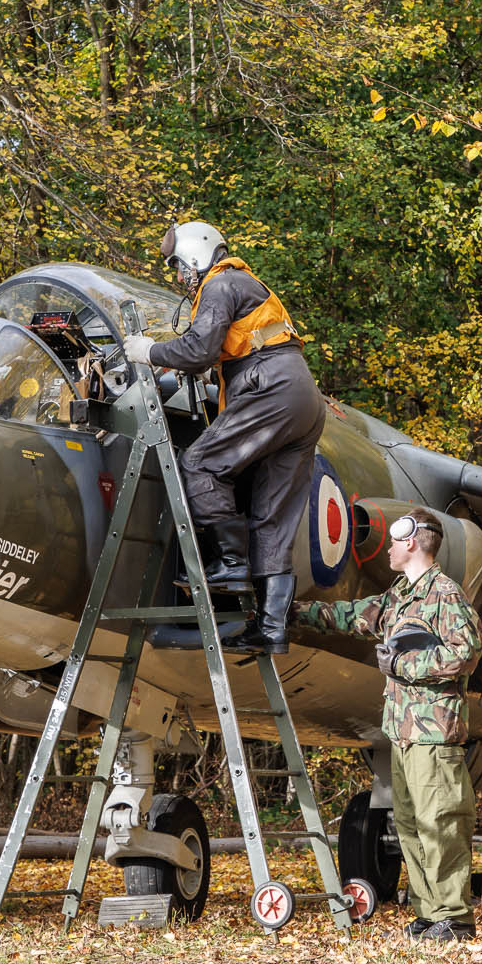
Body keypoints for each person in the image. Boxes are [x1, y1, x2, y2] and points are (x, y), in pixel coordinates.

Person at [121, 221, 325, 655]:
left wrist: (147, 351)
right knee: (271, 517)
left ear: (196, 253)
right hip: (300, 394)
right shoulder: (245, 283)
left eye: (178, 266)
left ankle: (230, 565)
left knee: (200, 464)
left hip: (270, 386)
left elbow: (198, 351)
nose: (178, 277)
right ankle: (270, 631)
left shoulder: (220, 282)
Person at [294, 509, 482, 942]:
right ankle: (428, 912)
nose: (389, 550)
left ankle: (454, 917)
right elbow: (353, 616)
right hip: (402, 731)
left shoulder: (444, 595)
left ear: (414, 543)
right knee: (410, 824)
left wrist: (404, 663)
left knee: (441, 821)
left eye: (396, 543)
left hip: (434, 732)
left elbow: (467, 651)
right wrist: (295, 611)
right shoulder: (400, 596)